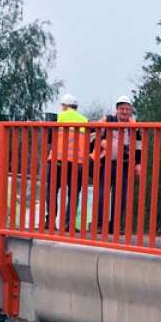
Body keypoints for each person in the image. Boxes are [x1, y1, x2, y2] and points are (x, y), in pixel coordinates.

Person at [93, 94, 142, 234]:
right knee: (102, 195)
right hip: (107, 163)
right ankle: (99, 224)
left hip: (125, 164)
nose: (125, 112)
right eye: (122, 109)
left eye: (127, 109)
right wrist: (101, 142)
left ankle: (113, 226)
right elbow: (93, 132)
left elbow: (139, 145)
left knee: (121, 197)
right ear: (117, 109)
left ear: (131, 110)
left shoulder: (134, 125)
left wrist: (138, 164)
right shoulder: (108, 120)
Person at [44, 92, 90, 231]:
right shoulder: (84, 120)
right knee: (73, 193)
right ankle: (68, 224)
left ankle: (50, 222)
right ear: (76, 107)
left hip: (57, 160)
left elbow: (49, 139)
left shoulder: (58, 117)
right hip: (77, 162)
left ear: (65, 106)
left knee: (52, 190)